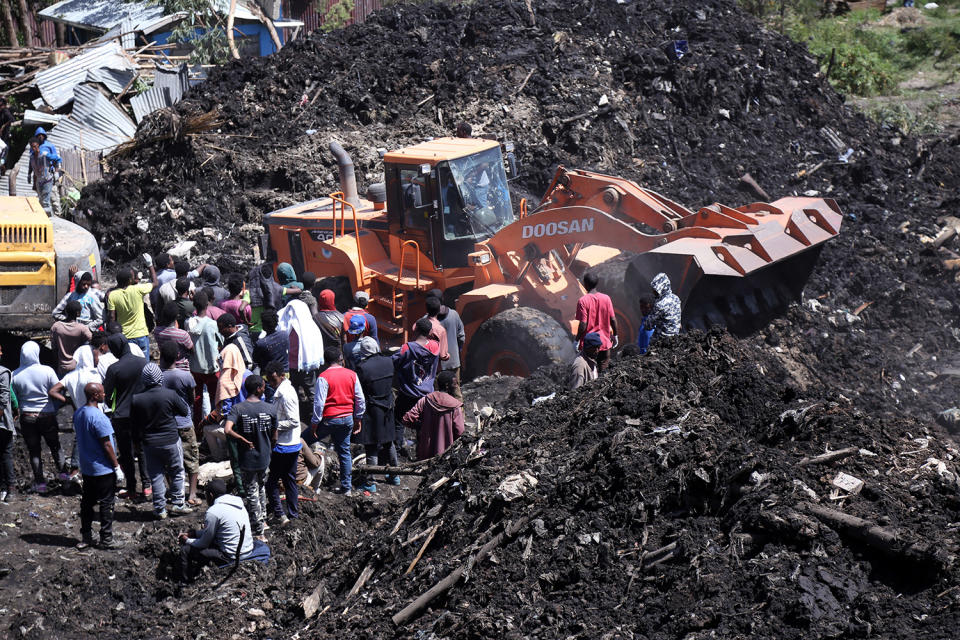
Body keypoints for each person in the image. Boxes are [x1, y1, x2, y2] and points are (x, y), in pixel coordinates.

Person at [132, 363, 192, 519]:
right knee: (177, 471)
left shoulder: (137, 399)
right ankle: (178, 504)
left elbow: (134, 425)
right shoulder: (170, 394)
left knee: (156, 475)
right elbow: (185, 411)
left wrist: (137, 444)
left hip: (149, 443)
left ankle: (160, 509)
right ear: (160, 378)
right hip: (171, 439)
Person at [224, 376, 277, 539]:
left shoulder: (238, 409)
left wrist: (241, 439)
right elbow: (275, 436)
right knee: (261, 488)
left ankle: (259, 531)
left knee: (252, 492)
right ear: (259, 389)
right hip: (264, 457)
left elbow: (227, 429)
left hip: (247, 459)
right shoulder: (270, 409)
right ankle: (264, 521)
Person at [74, 382, 124, 549]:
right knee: (106, 503)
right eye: (102, 392)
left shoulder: (79, 413)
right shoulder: (99, 417)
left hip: (87, 468)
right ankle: (106, 539)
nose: (105, 395)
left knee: (87, 503)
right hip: (102, 468)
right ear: (95, 395)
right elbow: (107, 445)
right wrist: (116, 467)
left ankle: (86, 537)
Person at [177, 479, 256, 583]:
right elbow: (218, 531)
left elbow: (203, 544)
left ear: (210, 495)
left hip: (231, 556)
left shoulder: (213, 512)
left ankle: (185, 583)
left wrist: (186, 539)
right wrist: (194, 533)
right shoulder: (238, 503)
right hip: (247, 549)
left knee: (185, 550)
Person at [311, 345, 365, 495]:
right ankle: (346, 487)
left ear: (325, 361)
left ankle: (311, 483)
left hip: (330, 419)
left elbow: (319, 403)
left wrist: (314, 424)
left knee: (309, 442)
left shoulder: (323, 377)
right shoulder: (352, 374)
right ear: (340, 359)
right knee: (344, 451)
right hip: (347, 418)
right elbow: (360, 399)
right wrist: (358, 418)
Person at [102, 333, 150, 499]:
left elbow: (106, 396)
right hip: (142, 414)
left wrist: (112, 404)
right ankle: (147, 485)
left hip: (122, 416)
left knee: (127, 454)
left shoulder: (114, 369)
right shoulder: (144, 363)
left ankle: (131, 488)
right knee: (142, 449)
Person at [13, 341, 63, 493]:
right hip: (46, 415)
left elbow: (14, 398)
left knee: (34, 451)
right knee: (55, 447)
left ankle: (40, 483)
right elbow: (57, 390)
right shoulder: (47, 371)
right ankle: (65, 478)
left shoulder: (15, 375)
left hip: (27, 417)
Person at [49, 344, 101, 484]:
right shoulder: (95, 375)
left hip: (79, 411)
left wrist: (67, 400)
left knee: (80, 440)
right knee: (99, 443)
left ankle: (74, 471)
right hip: (96, 413)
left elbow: (53, 391)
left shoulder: (70, 376)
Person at [159, 342, 201, 507]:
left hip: (165, 423)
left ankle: (173, 490)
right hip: (184, 422)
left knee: (169, 459)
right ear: (177, 357)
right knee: (191, 457)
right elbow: (192, 397)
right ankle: (191, 493)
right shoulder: (185, 376)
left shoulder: (157, 375)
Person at [353, 337, 397, 490]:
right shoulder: (389, 361)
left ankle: (370, 482)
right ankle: (395, 475)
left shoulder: (363, 368)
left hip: (372, 410)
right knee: (388, 441)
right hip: (388, 406)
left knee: (371, 444)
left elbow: (358, 391)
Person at [263, 362, 301, 524]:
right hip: (289, 443)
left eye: (273, 380)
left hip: (285, 445)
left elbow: (293, 421)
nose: (271, 384)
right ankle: (293, 514)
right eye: (269, 380)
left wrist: (274, 426)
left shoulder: (285, 394)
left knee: (272, 482)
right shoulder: (284, 391)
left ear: (281, 375)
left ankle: (281, 514)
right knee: (289, 479)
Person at [392, 318, 441, 435]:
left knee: (398, 420)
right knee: (423, 423)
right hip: (426, 394)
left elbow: (392, 362)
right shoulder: (436, 347)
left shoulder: (406, 348)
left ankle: (398, 449)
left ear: (416, 330)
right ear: (430, 332)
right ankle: (422, 449)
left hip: (408, 393)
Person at [402, 370, 465, 460]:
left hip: (424, 455)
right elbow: (460, 431)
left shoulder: (426, 400)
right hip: (445, 456)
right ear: (447, 386)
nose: (456, 386)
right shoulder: (455, 406)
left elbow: (407, 419)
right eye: (455, 384)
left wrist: (420, 427)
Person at [206, 337, 249, 462]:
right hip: (251, 423)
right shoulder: (248, 374)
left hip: (235, 427)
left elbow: (225, 412)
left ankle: (219, 458)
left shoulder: (225, 379)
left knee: (207, 429)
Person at [279, 299, 324, 410]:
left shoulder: (284, 326)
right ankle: (315, 415)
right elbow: (316, 346)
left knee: (293, 392)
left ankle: (298, 412)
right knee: (312, 392)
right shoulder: (310, 327)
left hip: (290, 368)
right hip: (307, 368)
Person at [185, 290, 221, 428]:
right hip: (211, 367)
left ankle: (198, 428)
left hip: (195, 367)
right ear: (208, 304)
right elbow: (220, 341)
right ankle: (213, 425)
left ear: (194, 305)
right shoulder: (212, 324)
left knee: (197, 399)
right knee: (215, 398)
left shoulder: (188, 323)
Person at [107, 260, 158, 355]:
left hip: (125, 336)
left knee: (130, 363)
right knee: (144, 365)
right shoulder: (138, 289)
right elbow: (155, 283)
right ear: (130, 280)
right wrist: (150, 265)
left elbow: (111, 317)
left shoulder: (112, 295)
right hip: (141, 333)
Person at [574, 272, 617, 372]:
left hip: (590, 346)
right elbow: (613, 319)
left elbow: (583, 324)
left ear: (585, 284)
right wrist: (615, 335)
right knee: (603, 375)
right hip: (605, 343)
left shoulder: (583, 301)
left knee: (589, 373)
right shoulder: (606, 298)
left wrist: (577, 340)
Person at [424, 289, 464, 396]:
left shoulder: (425, 321)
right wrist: (457, 351)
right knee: (456, 393)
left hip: (437, 367)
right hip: (454, 362)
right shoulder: (454, 315)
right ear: (442, 299)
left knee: (438, 396)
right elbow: (461, 337)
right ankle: (459, 412)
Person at [50, 300, 93, 377]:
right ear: (78, 313)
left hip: (61, 366)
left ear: (66, 312)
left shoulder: (56, 327)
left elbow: (54, 349)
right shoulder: (82, 328)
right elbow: (93, 340)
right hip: (76, 366)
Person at [26, 132, 62, 216]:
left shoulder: (45, 155)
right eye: (32, 147)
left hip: (47, 180)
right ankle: (45, 217)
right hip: (39, 181)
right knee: (41, 201)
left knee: (46, 202)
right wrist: (29, 174)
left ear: (38, 145)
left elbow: (57, 159)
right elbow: (30, 166)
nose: (34, 148)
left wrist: (56, 172)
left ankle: (50, 219)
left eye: (35, 146)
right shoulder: (31, 157)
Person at [154, 302, 194, 372]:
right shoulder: (183, 334)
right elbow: (192, 351)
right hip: (182, 368)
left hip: (164, 366)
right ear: (177, 316)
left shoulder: (157, 331)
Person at [0, 345, 15, 502]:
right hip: (2, 422)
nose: (2, 353)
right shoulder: (3, 372)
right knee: (6, 454)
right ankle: (9, 488)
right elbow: (5, 398)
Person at [649, 273, 682, 342]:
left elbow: (649, 325)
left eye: (655, 290)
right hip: (675, 338)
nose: (653, 292)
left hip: (662, 340)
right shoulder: (676, 298)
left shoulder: (660, 304)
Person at [424, 297, 451, 363]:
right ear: (439, 310)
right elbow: (443, 355)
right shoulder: (440, 330)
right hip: (433, 366)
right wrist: (448, 355)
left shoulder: (417, 324)